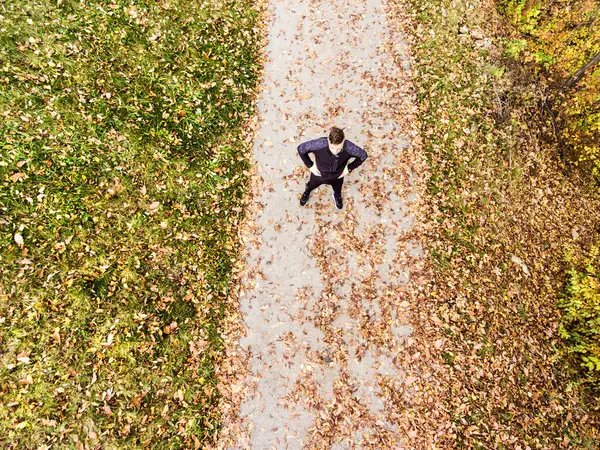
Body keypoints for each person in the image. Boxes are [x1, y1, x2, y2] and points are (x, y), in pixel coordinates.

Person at [297, 127, 368, 210]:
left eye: (339, 148)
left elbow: (363, 155)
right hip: (318, 174)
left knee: (337, 189)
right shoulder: (320, 144)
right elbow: (301, 148)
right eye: (332, 148)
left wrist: (348, 169)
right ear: (328, 141)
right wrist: (310, 166)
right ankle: (307, 192)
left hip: (338, 176)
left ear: (344, 141)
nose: (335, 152)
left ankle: (337, 195)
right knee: (311, 185)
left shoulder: (349, 147)